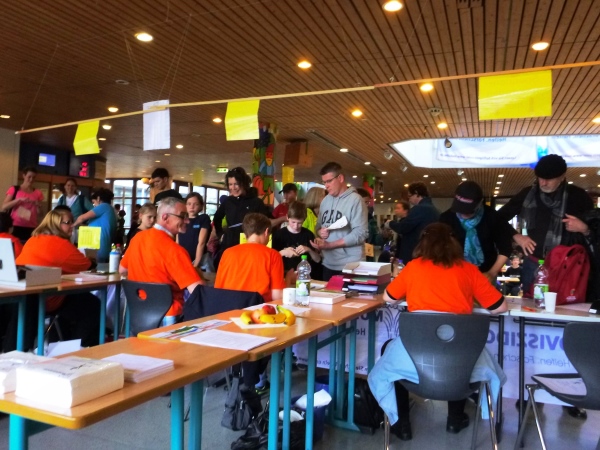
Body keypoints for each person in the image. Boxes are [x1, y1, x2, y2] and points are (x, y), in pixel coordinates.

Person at [368, 223, 507, 441]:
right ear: (454, 243)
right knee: (460, 353)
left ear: (422, 243)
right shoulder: (469, 270)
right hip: (460, 361)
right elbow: (500, 307)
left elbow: (388, 298)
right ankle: (455, 419)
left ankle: (401, 424)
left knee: (389, 349)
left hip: (417, 357)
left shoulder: (413, 267)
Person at [215, 213, 286, 414]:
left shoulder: (227, 253)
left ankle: (241, 377)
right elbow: (277, 298)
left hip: (228, 319)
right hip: (257, 321)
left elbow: (219, 289)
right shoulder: (272, 255)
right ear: (266, 232)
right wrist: (289, 279)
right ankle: (258, 379)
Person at [3, 209, 100, 352]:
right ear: (56, 224)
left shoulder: (32, 239)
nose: (72, 226)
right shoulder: (61, 244)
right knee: (93, 304)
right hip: (48, 300)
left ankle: (62, 344)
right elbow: (86, 265)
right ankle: (78, 349)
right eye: (68, 222)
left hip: (22, 296)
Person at [497, 154, 593, 294]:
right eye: (540, 178)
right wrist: (517, 236)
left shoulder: (578, 196)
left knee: (566, 304)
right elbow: (498, 218)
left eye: (548, 179)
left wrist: (584, 228)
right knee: (531, 304)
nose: (543, 183)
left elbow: (595, 230)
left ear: (562, 177)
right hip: (534, 263)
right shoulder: (528, 194)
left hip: (568, 265)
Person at [120, 197, 203, 325]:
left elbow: (122, 270)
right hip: (168, 317)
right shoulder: (175, 251)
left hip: (139, 314)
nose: (187, 220)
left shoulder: (137, 239)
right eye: (182, 216)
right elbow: (198, 290)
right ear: (165, 217)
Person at [439, 181, 513, 283]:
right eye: (460, 209)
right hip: (455, 273)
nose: (464, 214)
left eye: (468, 210)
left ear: (479, 203)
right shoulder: (446, 218)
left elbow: (505, 248)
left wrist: (492, 273)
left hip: (486, 272)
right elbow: (440, 249)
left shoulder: (491, 216)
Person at [311, 162, 368, 281]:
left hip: (350, 265)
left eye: (329, 181)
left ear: (340, 178)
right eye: (324, 182)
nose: (326, 186)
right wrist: (320, 232)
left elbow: (360, 233)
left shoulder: (355, 200)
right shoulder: (325, 201)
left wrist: (330, 245)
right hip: (328, 263)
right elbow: (318, 226)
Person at [212, 167, 273, 268]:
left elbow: (265, 222)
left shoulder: (256, 202)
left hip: (249, 242)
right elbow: (217, 218)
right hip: (230, 242)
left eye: (236, 184)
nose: (233, 188)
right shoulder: (228, 201)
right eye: (230, 184)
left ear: (243, 183)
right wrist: (221, 235)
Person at [392, 182, 439, 264]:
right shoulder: (435, 210)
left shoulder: (419, 209)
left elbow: (403, 227)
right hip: (429, 251)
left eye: (410, 196)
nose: (409, 199)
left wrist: (390, 224)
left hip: (415, 252)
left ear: (417, 194)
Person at [272, 201, 321, 277]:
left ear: (304, 220)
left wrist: (309, 250)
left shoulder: (308, 234)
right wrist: (283, 252)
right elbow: (271, 259)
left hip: (304, 275)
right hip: (283, 274)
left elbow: (317, 260)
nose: (295, 226)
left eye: (299, 223)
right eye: (293, 222)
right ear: (287, 217)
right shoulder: (279, 235)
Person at [73, 188, 117, 263]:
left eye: (94, 202)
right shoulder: (109, 209)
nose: (94, 206)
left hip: (99, 248)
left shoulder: (104, 206)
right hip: (100, 247)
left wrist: (71, 226)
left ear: (98, 199)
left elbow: (82, 218)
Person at [1, 166, 44, 242]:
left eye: (33, 177)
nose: (31, 179)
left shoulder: (38, 193)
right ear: (24, 176)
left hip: (31, 226)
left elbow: (40, 214)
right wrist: (18, 200)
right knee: (15, 246)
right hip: (15, 225)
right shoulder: (14, 189)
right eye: (29, 177)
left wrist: (38, 206)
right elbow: (4, 207)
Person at [178, 192, 212, 271]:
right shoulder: (181, 220)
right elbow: (177, 243)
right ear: (185, 205)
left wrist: (195, 265)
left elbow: (201, 243)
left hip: (201, 260)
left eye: (196, 204)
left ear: (201, 206)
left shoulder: (203, 218)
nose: (192, 207)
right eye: (189, 204)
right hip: (183, 260)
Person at [356, 188, 379, 262]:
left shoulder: (370, 219)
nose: (367, 205)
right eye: (365, 202)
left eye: (368, 202)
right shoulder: (349, 218)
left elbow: (375, 239)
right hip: (356, 257)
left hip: (368, 255)